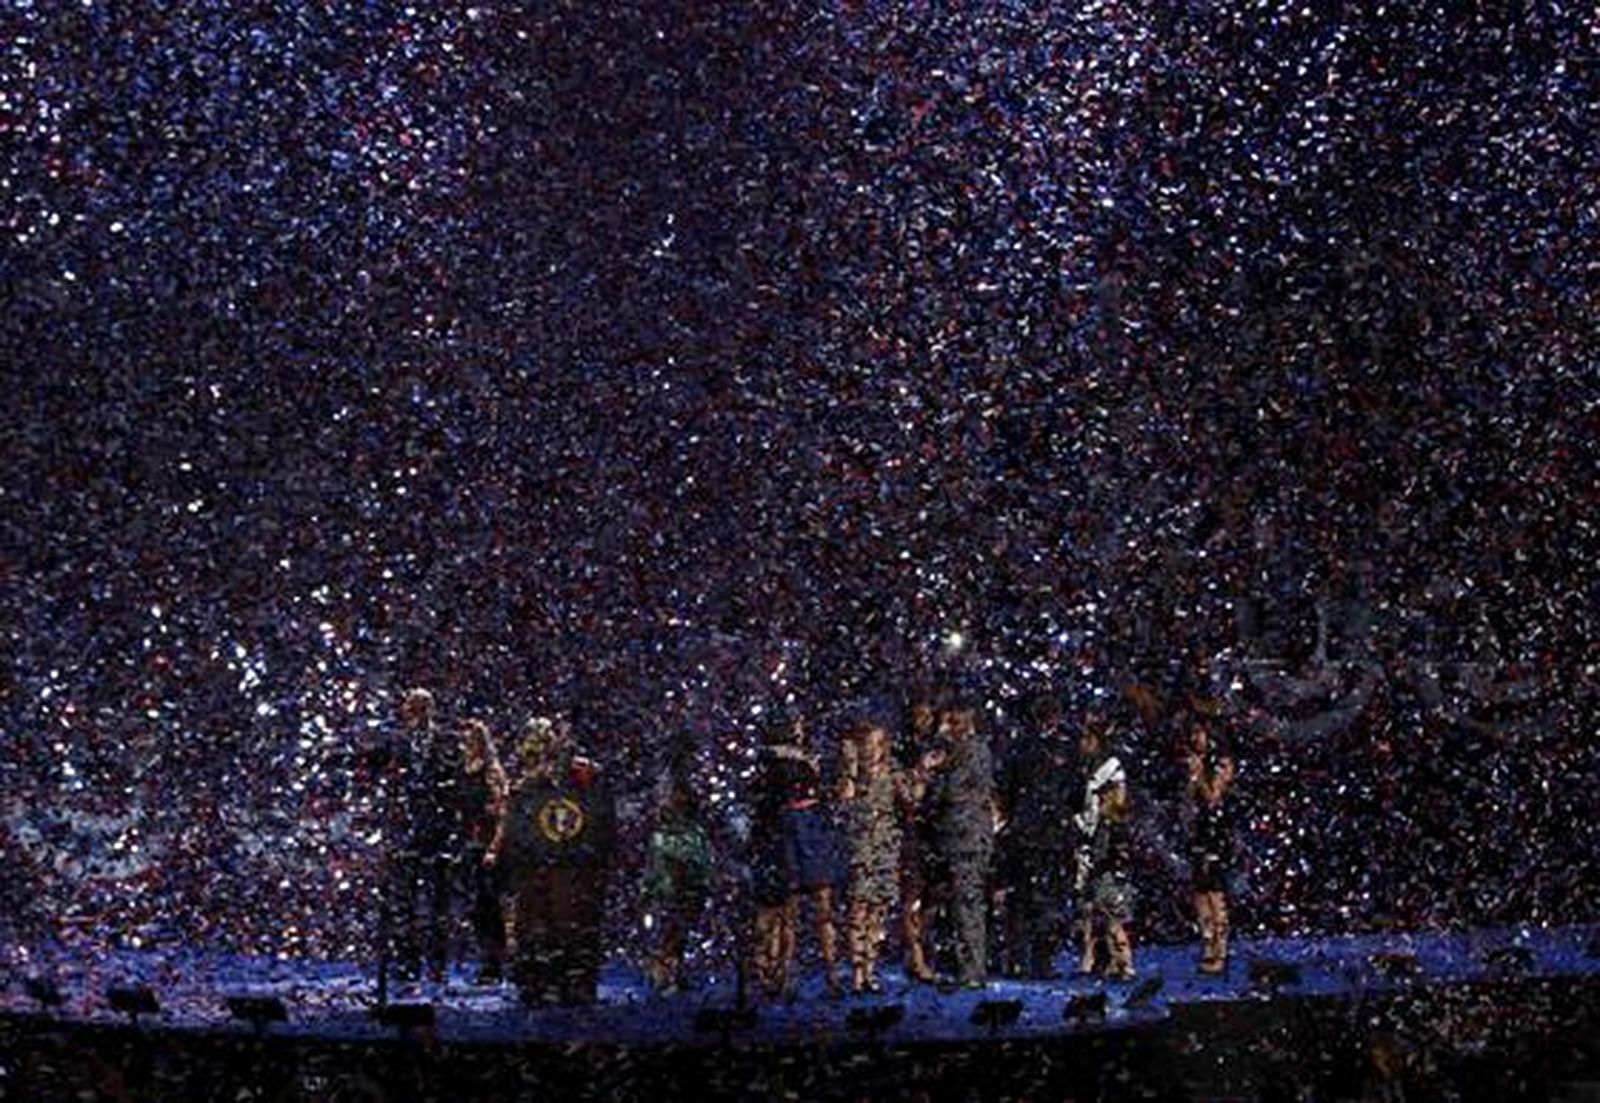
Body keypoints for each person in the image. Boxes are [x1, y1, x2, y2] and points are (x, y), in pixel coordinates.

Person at [486, 716, 617, 1007]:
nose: (535, 758)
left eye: (542, 750)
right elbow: (516, 830)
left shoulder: (587, 778)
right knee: (533, 929)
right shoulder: (526, 789)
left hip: (574, 870)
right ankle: (538, 985)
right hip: (536, 870)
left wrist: (588, 858)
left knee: (576, 928)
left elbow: (600, 823)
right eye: (531, 752)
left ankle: (573, 985)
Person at [748, 714, 841, 1000]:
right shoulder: (791, 763)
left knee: (784, 914)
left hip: (787, 840)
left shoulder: (769, 765)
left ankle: (779, 974)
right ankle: (786, 974)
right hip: (795, 838)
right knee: (790, 913)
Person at [380, 687, 461, 985]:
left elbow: (455, 781)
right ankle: (407, 963)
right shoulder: (397, 742)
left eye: (420, 707)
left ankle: (437, 965)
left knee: (438, 901)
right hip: (406, 831)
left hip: (438, 829)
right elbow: (389, 783)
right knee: (405, 902)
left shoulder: (447, 741)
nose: (413, 713)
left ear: (430, 709)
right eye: (410, 707)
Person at [994, 693, 1077, 979]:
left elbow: (1006, 791)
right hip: (1040, 833)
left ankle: (1027, 961)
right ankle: (1035, 961)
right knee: (1035, 899)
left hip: (1038, 832)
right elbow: (1074, 792)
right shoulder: (1049, 748)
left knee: (1029, 900)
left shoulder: (1024, 747)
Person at [837, 712, 904, 994]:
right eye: (868, 743)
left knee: (877, 913)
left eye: (878, 743)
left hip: (886, 848)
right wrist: (851, 764)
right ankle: (857, 972)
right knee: (857, 911)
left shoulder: (892, 770)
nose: (872, 749)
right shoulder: (851, 775)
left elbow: (910, 797)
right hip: (859, 849)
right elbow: (844, 799)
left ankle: (871, 969)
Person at [935, 695, 995, 988]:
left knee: (968, 905)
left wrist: (936, 773)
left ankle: (973, 972)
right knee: (962, 906)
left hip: (968, 838)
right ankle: (967, 967)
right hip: (958, 838)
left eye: (954, 721)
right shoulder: (958, 751)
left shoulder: (973, 751)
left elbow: (954, 793)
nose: (948, 726)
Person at [641, 772, 713, 995]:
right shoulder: (669, 834)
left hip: (683, 888)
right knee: (674, 933)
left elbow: (699, 861)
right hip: (676, 888)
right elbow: (657, 864)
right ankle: (667, 974)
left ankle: (670, 973)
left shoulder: (684, 833)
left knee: (676, 933)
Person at [1073, 723, 1134, 979]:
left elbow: (1119, 805)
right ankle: (1092, 959)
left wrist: (1108, 820)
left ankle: (1123, 962)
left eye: (1087, 738)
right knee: (1087, 906)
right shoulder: (1081, 768)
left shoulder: (1112, 767)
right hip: (1087, 842)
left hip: (1106, 846)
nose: (1082, 744)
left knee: (1110, 909)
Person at [895, 694, 945, 983]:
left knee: (933, 897)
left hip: (936, 830)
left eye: (928, 716)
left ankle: (922, 950)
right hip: (912, 830)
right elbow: (907, 793)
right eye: (918, 715)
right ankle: (916, 957)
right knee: (911, 896)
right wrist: (920, 774)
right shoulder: (903, 748)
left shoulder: (940, 746)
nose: (923, 722)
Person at [457, 719, 509, 984]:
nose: (466, 745)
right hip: (467, 845)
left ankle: (495, 964)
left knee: (489, 906)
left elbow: (503, 814)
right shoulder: (461, 772)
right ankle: (486, 961)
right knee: (477, 908)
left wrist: (494, 848)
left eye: (470, 740)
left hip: (486, 846)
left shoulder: (491, 772)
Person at [1186, 720, 1236, 976]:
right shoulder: (1198, 760)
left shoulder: (1222, 762)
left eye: (1198, 732)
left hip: (1217, 834)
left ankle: (1222, 950)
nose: (1195, 737)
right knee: (1200, 893)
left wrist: (1198, 774)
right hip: (1199, 831)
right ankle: (1207, 945)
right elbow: (1190, 798)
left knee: (1216, 894)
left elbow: (1214, 799)